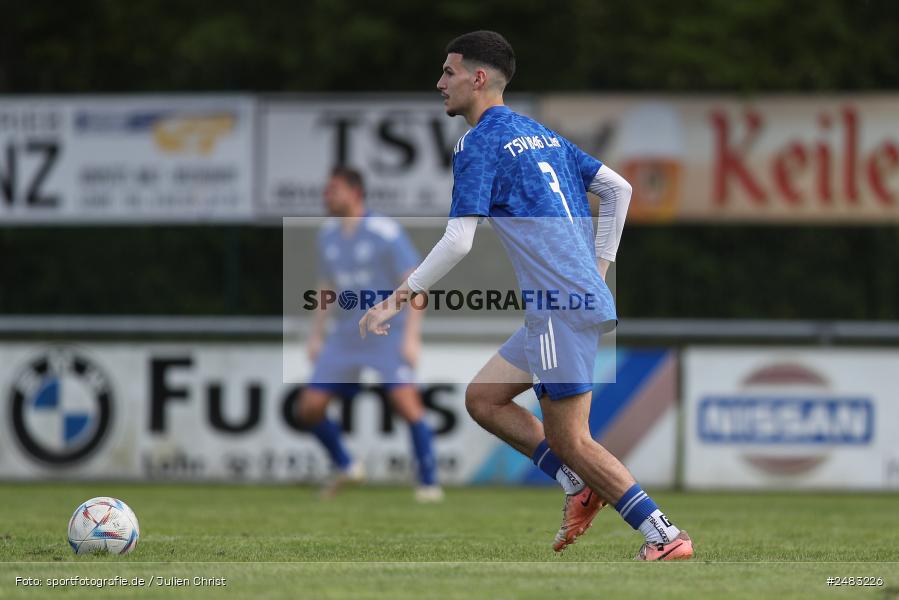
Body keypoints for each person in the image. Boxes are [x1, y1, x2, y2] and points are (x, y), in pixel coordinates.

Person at [359, 31, 692, 559]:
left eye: (448, 72)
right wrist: (600, 266)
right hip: (564, 302)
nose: (440, 82)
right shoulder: (540, 134)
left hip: (560, 305)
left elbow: (458, 240)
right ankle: (577, 486)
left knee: (573, 440)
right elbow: (619, 189)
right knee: (484, 399)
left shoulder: (479, 142)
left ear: (478, 77)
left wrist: (395, 300)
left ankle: (664, 535)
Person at [299, 166, 443, 502]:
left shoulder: (385, 232)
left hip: (386, 332)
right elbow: (326, 287)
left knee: (407, 405)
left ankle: (428, 483)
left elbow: (417, 283)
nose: (327, 196)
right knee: (308, 409)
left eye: (333, 189)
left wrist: (411, 337)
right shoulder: (327, 234)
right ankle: (347, 465)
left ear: (354, 192)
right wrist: (316, 335)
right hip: (344, 335)